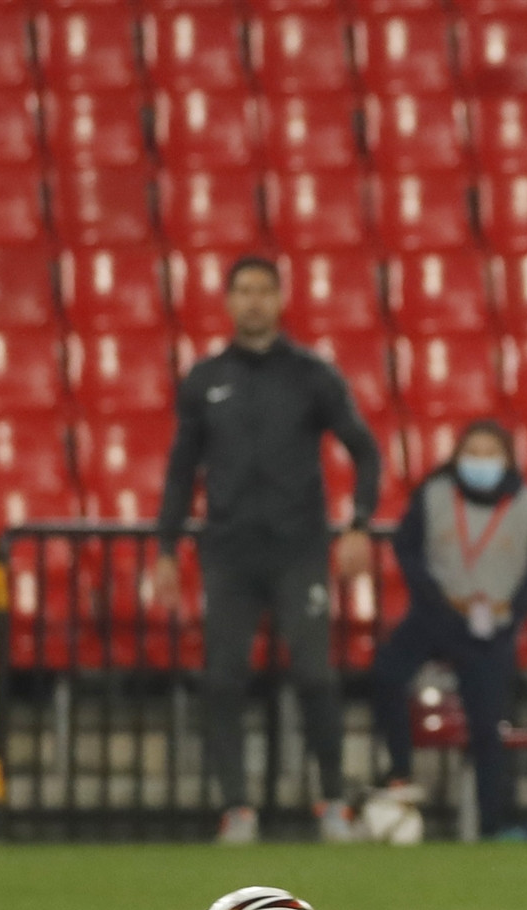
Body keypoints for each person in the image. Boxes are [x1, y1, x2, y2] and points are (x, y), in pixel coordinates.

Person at [151, 255, 382, 845]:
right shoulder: (205, 379)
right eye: (243, 291)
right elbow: (181, 470)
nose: (253, 301)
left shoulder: (312, 376)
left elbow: (365, 449)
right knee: (223, 678)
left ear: (280, 300)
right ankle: (236, 808)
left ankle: (333, 802)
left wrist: (359, 524)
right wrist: (165, 547)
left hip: (298, 549)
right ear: (229, 302)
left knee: (315, 675)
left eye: (263, 290)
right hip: (229, 552)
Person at [369, 421, 527, 838]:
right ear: (457, 457)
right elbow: (407, 547)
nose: (481, 462)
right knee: (387, 672)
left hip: (492, 628)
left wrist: (513, 607)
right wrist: (434, 595)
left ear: (507, 459)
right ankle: (399, 770)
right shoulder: (434, 495)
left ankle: (493, 824)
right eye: (473, 452)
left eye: (491, 453)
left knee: (487, 725)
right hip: (434, 615)